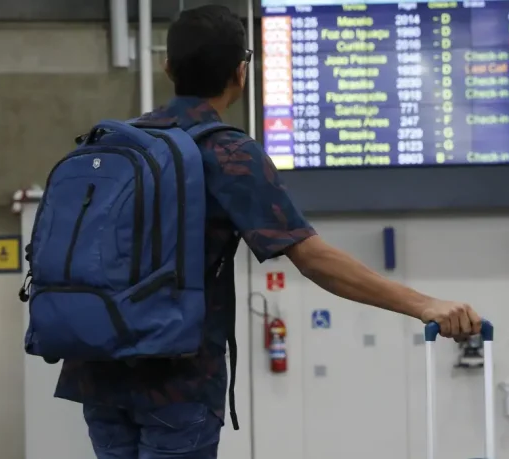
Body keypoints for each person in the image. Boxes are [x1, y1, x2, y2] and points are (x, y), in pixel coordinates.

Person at [54, 5, 483, 459]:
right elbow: (313, 259)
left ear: (167, 67)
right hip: (177, 381)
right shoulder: (225, 151)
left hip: (97, 370)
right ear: (241, 72)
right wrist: (425, 305)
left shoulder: (116, 142)